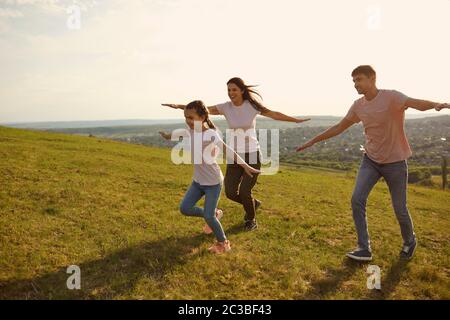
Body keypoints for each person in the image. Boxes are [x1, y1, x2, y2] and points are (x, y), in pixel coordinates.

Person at [296, 65, 449, 261]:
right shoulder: (358, 105)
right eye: (353, 81)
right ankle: (363, 247)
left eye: (359, 79)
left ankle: (409, 240)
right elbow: (339, 127)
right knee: (357, 200)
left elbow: (415, 103)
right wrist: (313, 141)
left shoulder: (391, 97)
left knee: (400, 208)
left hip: (395, 162)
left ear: (372, 78)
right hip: (371, 160)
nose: (355, 84)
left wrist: (435, 104)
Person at [163, 77, 310, 231]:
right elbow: (202, 110)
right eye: (228, 90)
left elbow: (274, 114)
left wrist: (295, 120)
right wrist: (179, 106)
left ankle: (250, 219)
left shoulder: (251, 106)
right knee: (231, 192)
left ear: (242, 90)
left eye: (234, 89)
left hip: (252, 153)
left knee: (245, 191)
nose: (231, 93)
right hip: (234, 154)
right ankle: (252, 203)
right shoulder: (226, 107)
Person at [159, 100, 260, 254]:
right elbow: (178, 134)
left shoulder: (210, 134)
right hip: (198, 181)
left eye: (191, 117)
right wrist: (166, 136)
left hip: (213, 182)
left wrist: (245, 165)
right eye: (186, 117)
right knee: (185, 208)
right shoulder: (191, 130)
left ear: (204, 116)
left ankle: (223, 243)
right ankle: (215, 213)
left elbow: (228, 150)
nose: (188, 121)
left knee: (208, 217)